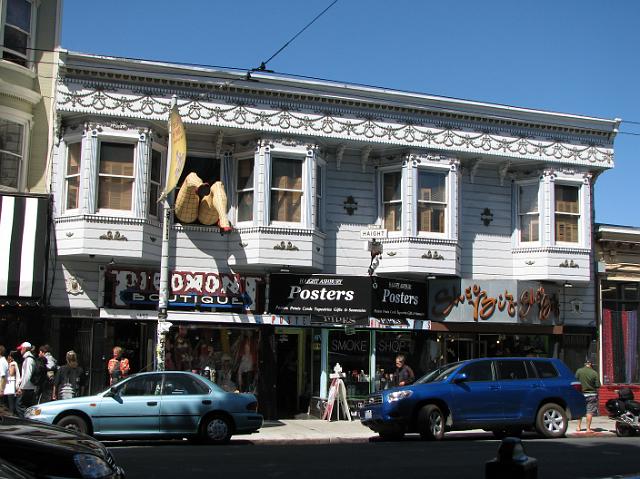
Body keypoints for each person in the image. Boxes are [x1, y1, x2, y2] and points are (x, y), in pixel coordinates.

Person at [575, 359, 601, 433]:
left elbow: (575, 380)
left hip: (581, 394)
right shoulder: (594, 373)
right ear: (590, 364)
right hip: (592, 394)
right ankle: (588, 428)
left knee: (580, 410)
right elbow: (598, 385)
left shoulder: (579, 371)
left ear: (585, 364)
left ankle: (578, 427)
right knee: (589, 411)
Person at [16, 341, 37, 417]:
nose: (20, 350)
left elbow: (27, 375)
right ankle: (29, 419)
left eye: (21, 349)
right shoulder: (30, 358)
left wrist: (22, 388)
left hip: (27, 387)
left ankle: (26, 420)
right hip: (29, 387)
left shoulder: (28, 359)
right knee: (28, 406)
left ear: (24, 349)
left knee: (18, 405)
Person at [4, 350, 21, 415]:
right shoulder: (12, 363)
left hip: (11, 384)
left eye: (9, 356)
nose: (8, 357)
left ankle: (12, 413)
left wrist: (8, 366)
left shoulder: (13, 363)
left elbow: (11, 373)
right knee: (9, 400)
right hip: (9, 384)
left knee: (10, 400)